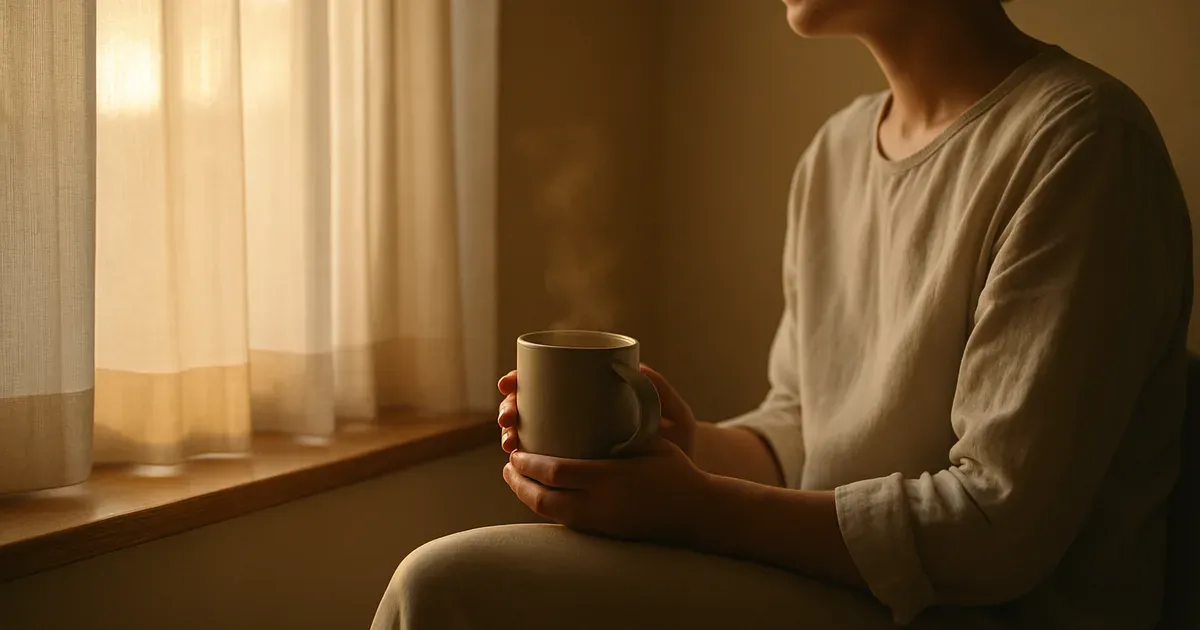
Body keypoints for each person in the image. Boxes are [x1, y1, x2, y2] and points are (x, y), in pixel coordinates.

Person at [372, 0, 1192, 627]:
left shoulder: (1079, 144)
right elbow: (803, 427)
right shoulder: (836, 154)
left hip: (971, 614)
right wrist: (679, 446)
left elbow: (993, 530)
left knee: (446, 589)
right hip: (835, 588)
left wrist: (693, 508)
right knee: (445, 583)